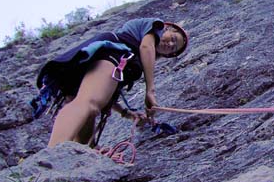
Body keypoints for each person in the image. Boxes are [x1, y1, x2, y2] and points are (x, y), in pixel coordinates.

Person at [33, 18, 188, 148]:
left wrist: (125, 113)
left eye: (173, 48)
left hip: (92, 65)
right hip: (110, 57)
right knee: (88, 104)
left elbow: (103, 88)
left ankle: (76, 156)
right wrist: (150, 91)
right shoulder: (155, 26)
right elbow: (146, 46)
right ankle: (52, 155)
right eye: (173, 39)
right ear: (167, 28)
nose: (169, 45)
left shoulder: (134, 59)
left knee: (89, 116)